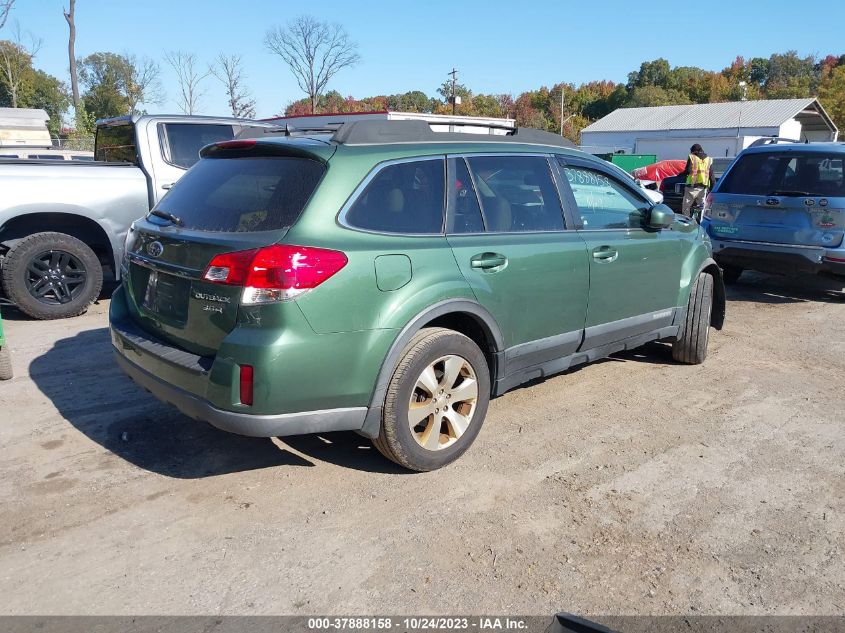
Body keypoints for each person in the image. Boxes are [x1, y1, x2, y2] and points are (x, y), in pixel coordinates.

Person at [681, 143, 715, 218]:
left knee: (686, 207)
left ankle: (686, 223)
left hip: (691, 188)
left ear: (694, 151)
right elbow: (711, 176)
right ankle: (700, 223)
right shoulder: (708, 160)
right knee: (701, 208)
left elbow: (688, 170)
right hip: (703, 189)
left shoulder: (692, 157)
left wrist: (679, 175)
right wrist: (712, 190)